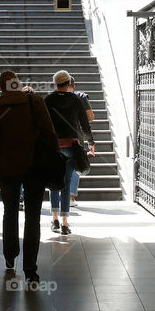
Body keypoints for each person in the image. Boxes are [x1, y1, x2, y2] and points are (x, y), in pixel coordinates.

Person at [0, 70, 58, 281]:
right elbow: (49, 133)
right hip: (34, 167)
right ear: (17, 84)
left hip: (7, 169)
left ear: (1, 87)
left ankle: (10, 257)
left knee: (10, 213)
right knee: (33, 217)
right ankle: (30, 269)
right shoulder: (35, 100)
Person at [44, 70, 94, 236]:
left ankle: (55, 220)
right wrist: (91, 142)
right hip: (72, 146)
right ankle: (65, 223)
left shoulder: (49, 100)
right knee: (66, 184)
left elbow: (43, 124)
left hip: (54, 147)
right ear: (69, 83)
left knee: (54, 183)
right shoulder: (76, 100)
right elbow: (85, 124)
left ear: (55, 84)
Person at [68, 77, 95, 207]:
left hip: (59, 138)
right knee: (74, 167)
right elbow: (90, 118)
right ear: (73, 85)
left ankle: (58, 197)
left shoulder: (52, 98)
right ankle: (71, 197)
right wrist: (91, 142)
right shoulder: (81, 97)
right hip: (76, 137)